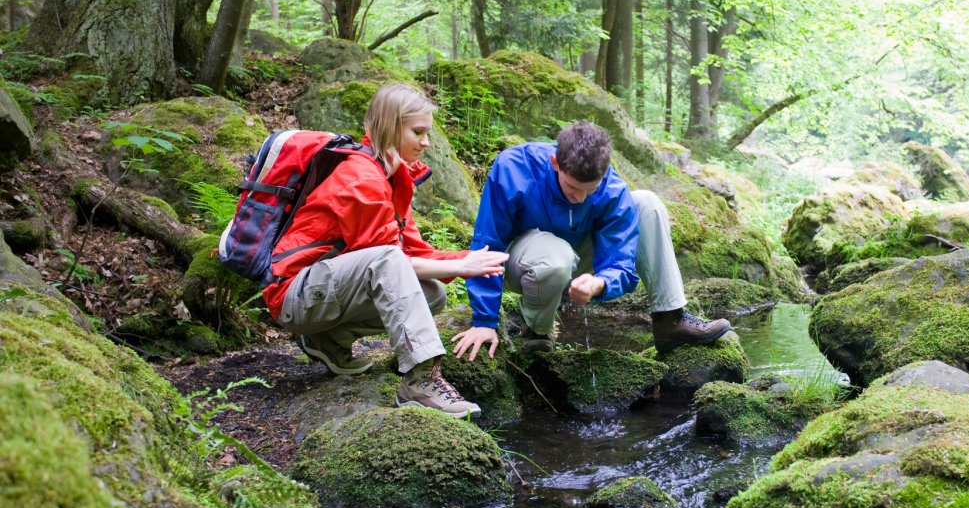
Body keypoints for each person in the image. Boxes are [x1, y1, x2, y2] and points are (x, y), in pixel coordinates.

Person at [262, 84, 508, 419]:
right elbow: (387, 258)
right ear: (391, 127)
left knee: (431, 292)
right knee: (390, 261)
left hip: (323, 291)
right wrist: (465, 265)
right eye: (418, 132)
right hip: (295, 295)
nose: (426, 142)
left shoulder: (390, 177)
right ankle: (420, 379)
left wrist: (465, 261)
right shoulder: (360, 176)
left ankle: (328, 341)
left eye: (427, 133)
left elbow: (414, 252)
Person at [451, 121, 731, 361]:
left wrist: (601, 283)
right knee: (554, 256)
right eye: (572, 188)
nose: (580, 198)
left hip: (577, 259)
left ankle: (670, 320)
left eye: (590, 190)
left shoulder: (612, 189)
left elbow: (621, 263)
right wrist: (485, 321)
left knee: (646, 202)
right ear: (554, 163)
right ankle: (537, 331)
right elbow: (488, 245)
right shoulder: (514, 167)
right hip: (521, 263)